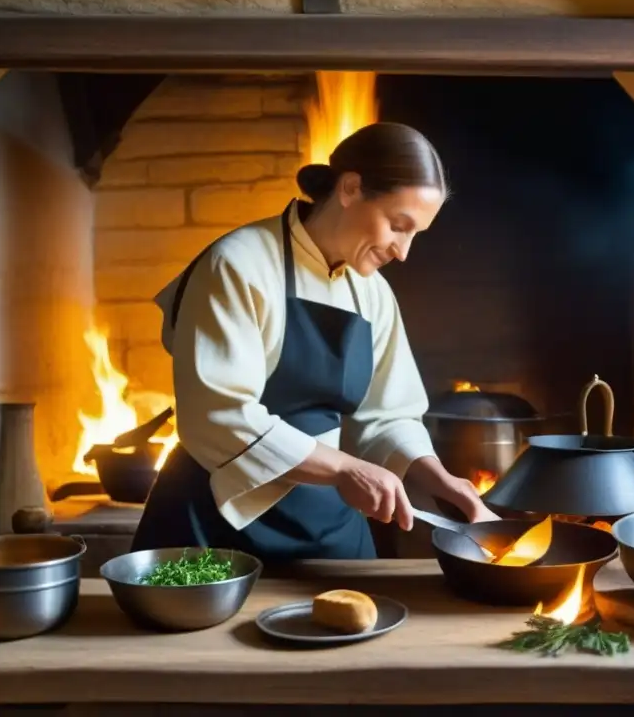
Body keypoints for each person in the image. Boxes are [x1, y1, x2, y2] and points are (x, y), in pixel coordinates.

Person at [131, 122, 498, 562]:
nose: (403, 251)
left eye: (415, 233)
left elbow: (387, 415)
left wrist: (440, 478)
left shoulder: (372, 291)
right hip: (216, 522)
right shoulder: (238, 264)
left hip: (329, 525)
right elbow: (218, 416)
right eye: (398, 226)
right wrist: (345, 467)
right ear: (350, 188)